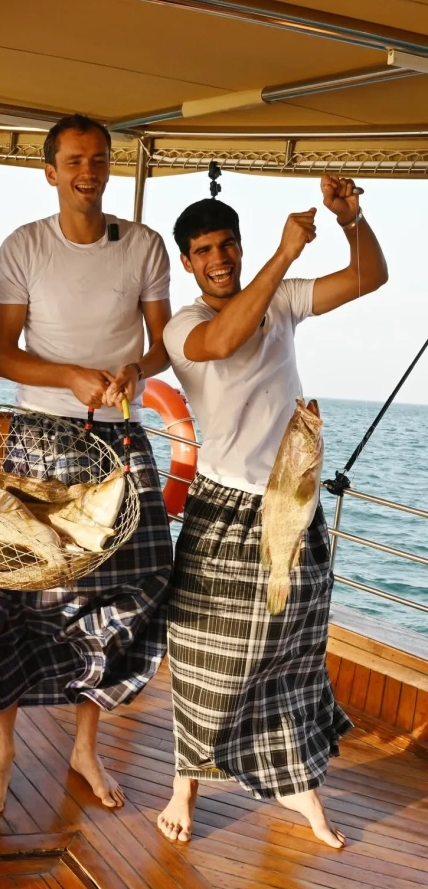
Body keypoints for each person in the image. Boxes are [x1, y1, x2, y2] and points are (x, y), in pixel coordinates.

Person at [158, 178, 388, 847]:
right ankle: (185, 783)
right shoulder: (183, 327)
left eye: (228, 244)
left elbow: (370, 277)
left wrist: (351, 221)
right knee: (206, 653)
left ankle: (297, 783)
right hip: (221, 509)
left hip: (292, 501)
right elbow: (224, 341)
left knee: (293, 650)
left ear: (240, 245)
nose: (220, 258)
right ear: (188, 262)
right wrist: (284, 254)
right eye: (205, 250)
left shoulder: (282, 300)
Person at [0, 114, 174, 814]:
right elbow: (1, 355)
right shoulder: (23, 246)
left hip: (120, 436)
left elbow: (163, 344)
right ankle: (3, 750)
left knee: (133, 581)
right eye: (75, 160)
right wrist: (69, 375)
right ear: (50, 171)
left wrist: (134, 369)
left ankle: (85, 746)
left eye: (99, 159)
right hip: (42, 438)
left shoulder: (144, 244)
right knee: (25, 595)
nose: (89, 171)